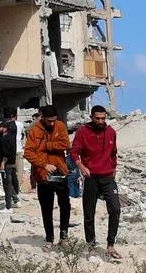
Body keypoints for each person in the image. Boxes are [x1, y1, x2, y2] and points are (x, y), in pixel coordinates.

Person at [71, 105, 121, 260]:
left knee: (115, 209)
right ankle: (91, 246)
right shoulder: (83, 132)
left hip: (108, 177)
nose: (100, 121)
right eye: (97, 118)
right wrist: (81, 167)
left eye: (103, 118)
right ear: (91, 117)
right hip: (91, 177)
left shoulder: (111, 132)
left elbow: (114, 152)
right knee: (89, 213)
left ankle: (110, 245)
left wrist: (113, 168)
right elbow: (74, 152)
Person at [25, 105, 72, 251]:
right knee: (47, 208)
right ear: (42, 117)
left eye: (54, 120)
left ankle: (64, 236)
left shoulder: (60, 126)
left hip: (59, 172)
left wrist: (47, 145)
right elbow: (28, 152)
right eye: (49, 120)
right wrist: (44, 165)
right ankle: (49, 239)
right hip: (43, 175)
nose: (52, 123)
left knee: (65, 205)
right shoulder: (34, 130)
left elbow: (65, 144)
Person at [0, 121, 18, 210]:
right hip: (12, 163)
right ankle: (16, 199)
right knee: (10, 184)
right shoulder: (12, 137)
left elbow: (6, 153)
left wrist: (2, 163)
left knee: (7, 186)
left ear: (5, 128)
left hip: (6, 165)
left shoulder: (5, 139)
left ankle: (8, 206)